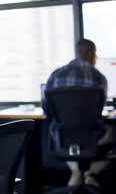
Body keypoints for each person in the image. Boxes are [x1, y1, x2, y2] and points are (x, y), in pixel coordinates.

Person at [43, 39, 113, 188]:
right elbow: (98, 112)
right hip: (91, 137)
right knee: (114, 132)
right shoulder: (98, 77)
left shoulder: (55, 75)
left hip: (61, 137)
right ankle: (88, 175)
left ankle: (76, 175)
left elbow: (47, 109)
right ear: (91, 53)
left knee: (59, 131)